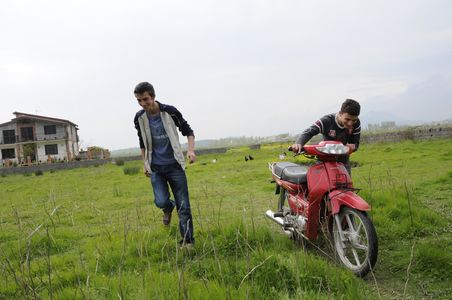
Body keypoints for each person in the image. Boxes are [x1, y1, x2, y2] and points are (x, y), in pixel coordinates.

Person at [133, 82, 196, 248]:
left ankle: (188, 241)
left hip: (174, 166)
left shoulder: (170, 112)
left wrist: (191, 151)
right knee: (161, 201)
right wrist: (145, 163)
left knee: (184, 206)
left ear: (153, 96)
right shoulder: (139, 118)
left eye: (145, 99)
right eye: (139, 100)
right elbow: (142, 142)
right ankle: (168, 208)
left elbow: (188, 131)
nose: (142, 103)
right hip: (156, 168)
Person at [290, 99, 361, 175]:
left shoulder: (356, 123)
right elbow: (309, 131)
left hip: (343, 161)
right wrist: (299, 143)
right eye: (347, 119)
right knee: (321, 185)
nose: (350, 123)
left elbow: (355, 144)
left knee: (346, 186)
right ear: (340, 113)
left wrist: (353, 147)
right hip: (324, 161)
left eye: (354, 120)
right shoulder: (327, 121)